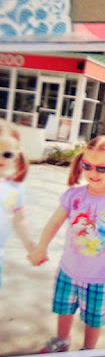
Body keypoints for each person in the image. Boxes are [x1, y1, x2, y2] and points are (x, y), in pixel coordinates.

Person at [29, 135, 105, 352]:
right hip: (68, 270)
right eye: (87, 166)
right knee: (64, 309)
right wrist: (41, 247)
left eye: (101, 168)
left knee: (93, 318)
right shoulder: (74, 196)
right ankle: (62, 339)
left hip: (99, 277)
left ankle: (88, 350)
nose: (92, 173)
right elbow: (54, 223)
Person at [0, 121, 34, 287]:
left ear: (16, 154)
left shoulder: (15, 189)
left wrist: (30, 245)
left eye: (7, 154)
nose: (0, 158)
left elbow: (19, 220)